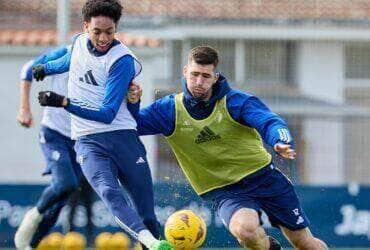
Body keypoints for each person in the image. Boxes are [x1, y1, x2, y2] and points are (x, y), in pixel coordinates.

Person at [126, 46, 329, 250]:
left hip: (264, 178)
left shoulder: (235, 102)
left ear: (215, 77)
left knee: (304, 242)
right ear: (185, 71)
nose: (199, 82)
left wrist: (280, 140)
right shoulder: (169, 110)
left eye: (206, 76)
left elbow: (270, 121)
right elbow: (129, 125)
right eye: (195, 74)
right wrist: (131, 102)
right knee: (245, 230)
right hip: (224, 190)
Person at [31, 1, 172, 249]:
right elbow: (68, 61)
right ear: (86, 27)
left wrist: (63, 101)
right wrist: (45, 68)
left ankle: (149, 238)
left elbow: (107, 114)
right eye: (97, 31)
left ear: (116, 28)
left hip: (123, 137)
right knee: (108, 192)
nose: (104, 37)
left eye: (110, 31)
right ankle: (150, 241)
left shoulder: (123, 61)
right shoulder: (77, 44)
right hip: (88, 140)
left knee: (147, 214)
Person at [15, 47, 84, 249]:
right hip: (53, 134)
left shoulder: (104, 62)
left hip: (79, 141)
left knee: (61, 200)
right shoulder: (65, 55)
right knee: (67, 184)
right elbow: (28, 69)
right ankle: (32, 216)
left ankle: (30, 245)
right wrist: (24, 108)